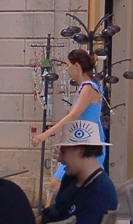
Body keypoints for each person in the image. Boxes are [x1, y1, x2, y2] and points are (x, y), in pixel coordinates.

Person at [41, 120, 117, 224]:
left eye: (64, 152)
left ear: (81, 151)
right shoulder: (72, 178)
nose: (60, 159)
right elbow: (50, 216)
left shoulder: (99, 192)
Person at [32, 49, 105, 199]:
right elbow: (74, 118)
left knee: (59, 184)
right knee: (62, 185)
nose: (67, 69)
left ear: (77, 66)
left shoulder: (88, 88)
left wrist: (46, 134)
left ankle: (53, 214)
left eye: (68, 65)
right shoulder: (85, 88)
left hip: (88, 142)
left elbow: (73, 115)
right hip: (82, 140)